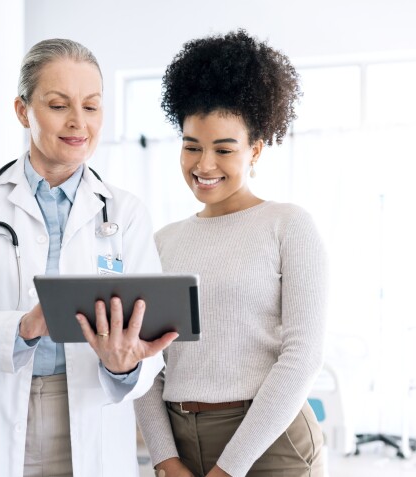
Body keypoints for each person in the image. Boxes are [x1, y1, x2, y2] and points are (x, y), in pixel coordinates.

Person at [0, 38, 177, 477]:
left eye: (92, 106)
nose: (78, 122)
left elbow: (148, 335)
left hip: (86, 417)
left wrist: (125, 364)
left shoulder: (124, 213)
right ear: (23, 111)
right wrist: (19, 329)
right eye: (59, 104)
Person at [134, 30, 328, 477]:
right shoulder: (162, 241)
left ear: (255, 150)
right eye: (191, 146)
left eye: (224, 149)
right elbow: (144, 356)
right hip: (180, 441)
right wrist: (163, 456)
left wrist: (230, 467)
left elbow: (302, 358)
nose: (204, 165)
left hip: (270, 442)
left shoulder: (288, 225)